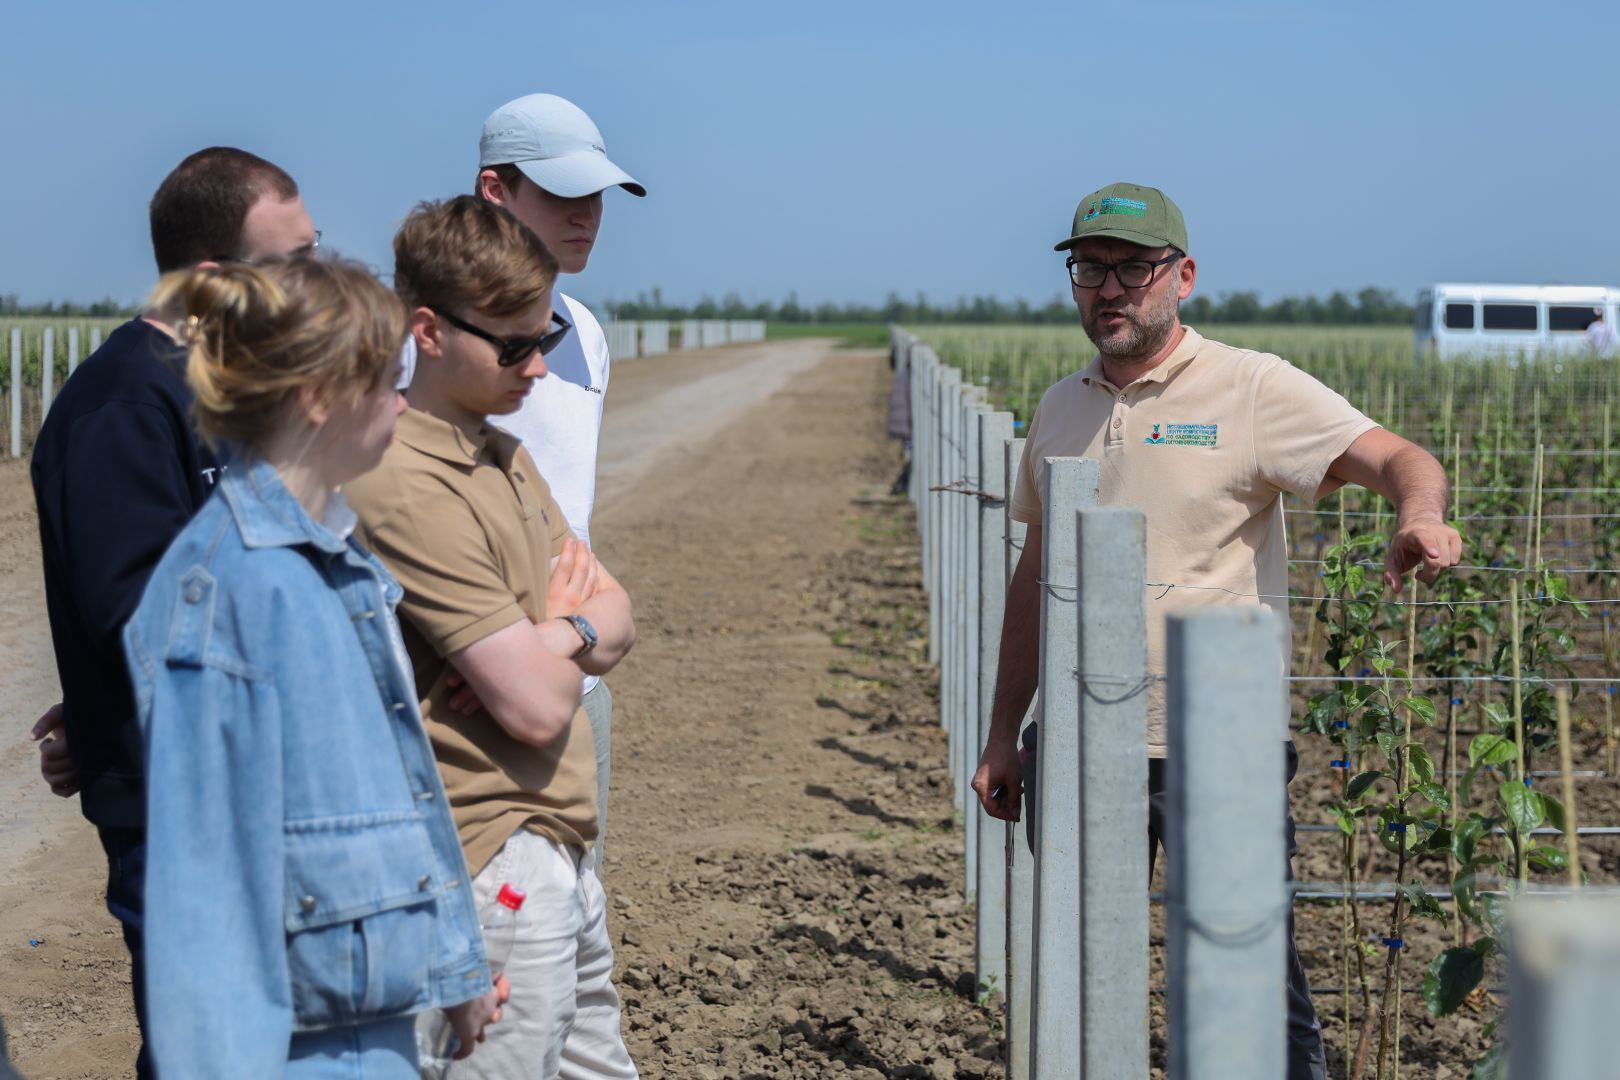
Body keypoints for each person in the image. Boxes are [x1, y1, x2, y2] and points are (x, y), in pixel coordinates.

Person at [968, 182, 1463, 1080]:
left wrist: (1418, 517)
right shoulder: (1059, 408)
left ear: (1182, 276)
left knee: (1247, 985)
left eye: (1133, 267)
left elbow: (1400, 458)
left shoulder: (1252, 387)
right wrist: (1006, 733)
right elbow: (1034, 584)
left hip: (1218, 735)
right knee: (1080, 975)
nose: (1109, 288)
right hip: (1079, 740)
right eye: (1090, 268)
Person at [123, 255, 503, 1074]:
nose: (402, 403)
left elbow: (401, 790)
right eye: (387, 382)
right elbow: (210, 910)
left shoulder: (334, 561)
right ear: (319, 395)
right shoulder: (229, 596)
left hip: (374, 1036)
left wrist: (454, 969)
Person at [28, 146, 318, 1077]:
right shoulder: (124, 404)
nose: (311, 284)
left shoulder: (218, 391)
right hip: (181, 806)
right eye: (291, 264)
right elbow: (146, 617)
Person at [346, 196, 639, 1079]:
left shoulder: (503, 456)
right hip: (488, 859)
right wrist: (564, 643)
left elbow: (617, 618)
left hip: (558, 850)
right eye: (512, 346)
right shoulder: (400, 479)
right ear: (428, 332)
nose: (537, 369)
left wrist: (551, 634)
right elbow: (538, 708)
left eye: (543, 340)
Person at [475, 93, 645, 874]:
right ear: (494, 190)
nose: (588, 215)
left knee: (577, 926)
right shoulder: (422, 337)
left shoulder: (586, 333)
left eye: (597, 197)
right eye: (562, 194)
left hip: (575, 688)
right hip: (467, 696)